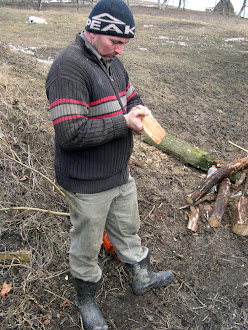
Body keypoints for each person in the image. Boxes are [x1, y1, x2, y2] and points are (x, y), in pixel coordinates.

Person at [46, 0, 174, 329]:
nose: (120, 51)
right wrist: (123, 123)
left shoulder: (111, 62)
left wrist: (140, 109)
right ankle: (86, 300)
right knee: (87, 244)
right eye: (116, 42)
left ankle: (142, 276)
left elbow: (130, 95)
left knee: (128, 229)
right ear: (94, 30)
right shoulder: (68, 68)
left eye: (124, 44)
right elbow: (70, 134)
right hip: (86, 182)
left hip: (118, 173)